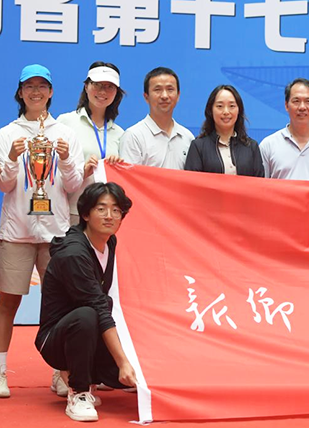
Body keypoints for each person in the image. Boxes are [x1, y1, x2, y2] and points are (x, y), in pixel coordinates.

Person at [0, 64, 84, 398]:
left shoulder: (66, 134)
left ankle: (60, 374)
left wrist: (66, 160)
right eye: (29, 86)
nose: (36, 92)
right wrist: (11, 159)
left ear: (51, 92)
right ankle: (1, 372)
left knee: (60, 306)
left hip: (55, 234)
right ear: (20, 93)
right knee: (6, 305)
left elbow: (74, 185)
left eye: (42, 86)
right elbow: (4, 185)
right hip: (16, 232)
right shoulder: (7, 134)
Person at [35, 182, 137, 421]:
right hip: (56, 338)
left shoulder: (109, 241)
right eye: (101, 209)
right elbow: (96, 307)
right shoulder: (74, 254)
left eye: (116, 210)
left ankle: (89, 375)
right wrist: (123, 362)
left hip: (89, 332)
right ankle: (79, 391)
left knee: (133, 376)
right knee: (88, 314)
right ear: (85, 214)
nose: (109, 216)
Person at [58, 61, 125, 226]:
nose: (102, 91)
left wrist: (117, 166)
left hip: (106, 217)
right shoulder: (65, 122)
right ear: (86, 86)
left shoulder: (120, 133)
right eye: (97, 85)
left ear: (117, 93)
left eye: (109, 87)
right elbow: (53, 172)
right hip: (72, 212)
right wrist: (82, 171)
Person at [120, 67, 194, 169]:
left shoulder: (187, 137)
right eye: (157, 90)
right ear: (146, 97)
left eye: (170, 89)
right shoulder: (133, 136)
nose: (164, 96)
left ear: (178, 96)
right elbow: (129, 177)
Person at [184, 85, 264, 177]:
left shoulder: (251, 147)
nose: (226, 112)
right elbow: (191, 182)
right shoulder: (198, 146)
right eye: (220, 106)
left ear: (239, 110)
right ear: (210, 110)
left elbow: (259, 183)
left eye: (232, 106)